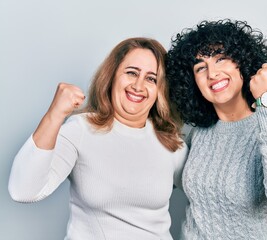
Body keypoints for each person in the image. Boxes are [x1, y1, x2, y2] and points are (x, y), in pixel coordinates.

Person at [8, 37, 189, 240]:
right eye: (131, 73)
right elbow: (23, 191)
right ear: (111, 77)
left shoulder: (171, 143)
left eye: (151, 78)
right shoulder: (81, 129)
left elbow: (209, 196)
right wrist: (55, 114)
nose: (138, 86)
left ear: (160, 90)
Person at [166, 19, 267, 240]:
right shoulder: (199, 133)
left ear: (241, 61)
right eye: (200, 67)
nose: (212, 73)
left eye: (221, 58)